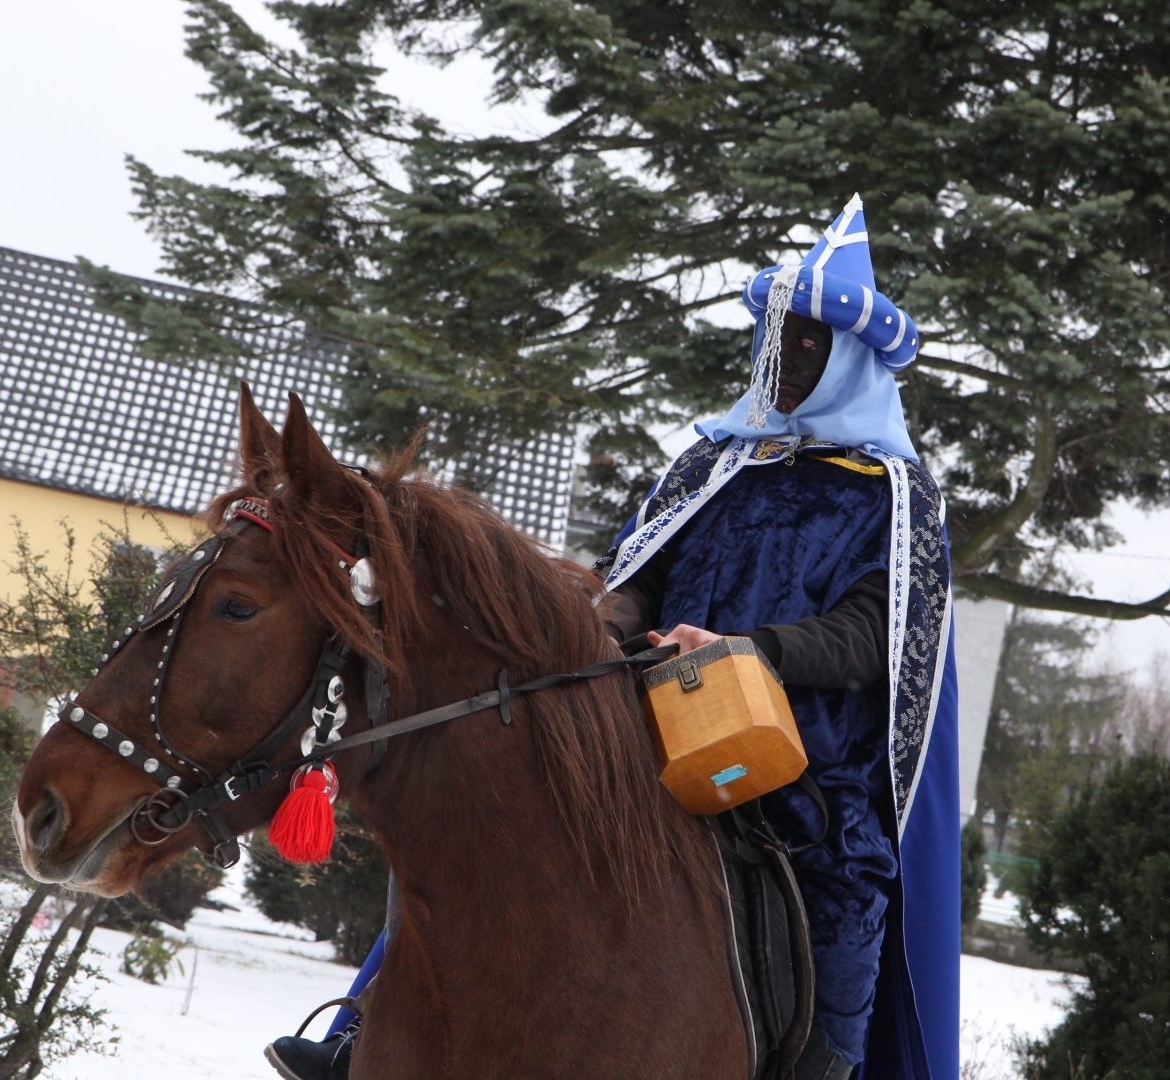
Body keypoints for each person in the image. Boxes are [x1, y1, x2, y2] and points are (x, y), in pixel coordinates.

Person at [266, 195, 959, 1080]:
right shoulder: (712, 462)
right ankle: (366, 1036)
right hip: (648, 721)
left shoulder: (895, 497)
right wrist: (600, 628)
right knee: (487, 812)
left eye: (808, 344)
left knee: (842, 891)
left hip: (796, 759)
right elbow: (635, 578)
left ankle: (826, 1065)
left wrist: (746, 652)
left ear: (852, 357)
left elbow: (877, 640)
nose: (781, 359)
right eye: (777, 338)